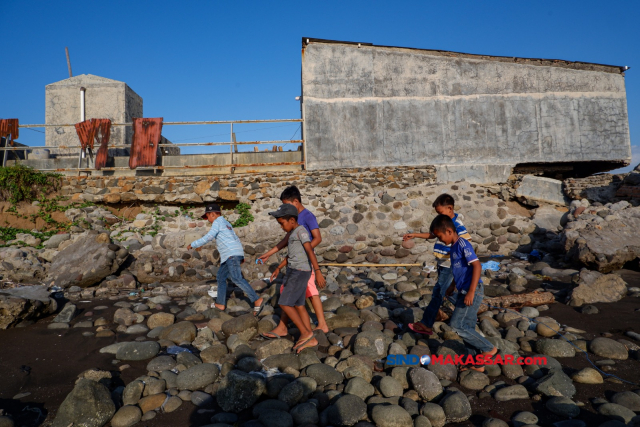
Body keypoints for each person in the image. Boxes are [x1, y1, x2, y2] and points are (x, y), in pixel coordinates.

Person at [429, 214, 497, 372]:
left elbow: (477, 266)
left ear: (449, 231)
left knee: (457, 325)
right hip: (463, 289)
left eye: (440, 236)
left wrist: (471, 292)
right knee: (468, 326)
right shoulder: (453, 249)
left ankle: (489, 349)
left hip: (472, 290)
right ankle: (477, 363)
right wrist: (453, 285)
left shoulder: (462, 243)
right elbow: (458, 270)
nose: (440, 240)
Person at [257, 186, 329, 334]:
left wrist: (313, 264)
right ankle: (293, 328)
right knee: (290, 293)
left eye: (287, 204)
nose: (285, 207)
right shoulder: (291, 218)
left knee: (310, 291)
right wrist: (268, 254)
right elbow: (285, 240)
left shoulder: (307, 216)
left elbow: (317, 238)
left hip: (305, 261)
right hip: (296, 261)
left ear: (295, 201)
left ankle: (321, 324)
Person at [403, 193, 472, 335]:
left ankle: (426, 324)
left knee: (438, 294)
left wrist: (462, 263)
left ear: (450, 208)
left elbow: (466, 243)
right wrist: (415, 235)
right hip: (442, 262)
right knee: (447, 291)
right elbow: (433, 234)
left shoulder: (457, 225)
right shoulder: (444, 223)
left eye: (440, 212)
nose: (439, 215)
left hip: (449, 263)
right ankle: (468, 311)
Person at [263, 203, 326, 353]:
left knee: (285, 303)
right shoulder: (292, 234)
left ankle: (306, 333)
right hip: (293, 270)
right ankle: (310, 338)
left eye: (281, 223)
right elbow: (291, 254)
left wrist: (317, 271)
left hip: (300, 271)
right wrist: (278, 267)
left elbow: (310, 250)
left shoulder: (301, 232)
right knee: (298, 305)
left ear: (292, 220)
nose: (281, 226)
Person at [187, 204, 265, 316]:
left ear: (213, 214)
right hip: (232, 254)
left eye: (207, 216)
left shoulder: (217, 222)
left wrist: (193, 244)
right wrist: (240, 255)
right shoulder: (226, 223)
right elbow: (235, 238)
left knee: (236, 278)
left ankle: (256, 299)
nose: (207, 219)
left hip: (230, 255)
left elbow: (209, 237)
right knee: (221, 277)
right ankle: (220, 303)